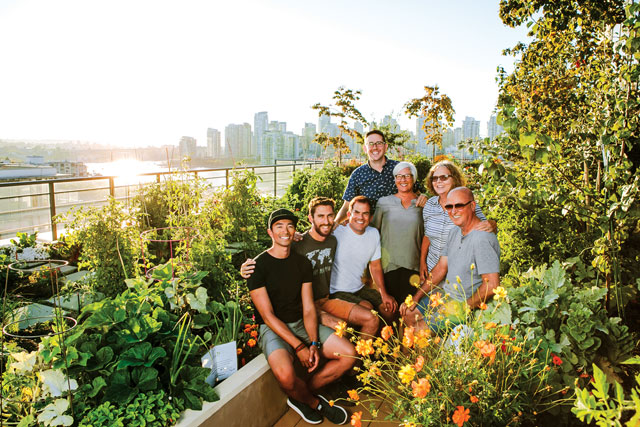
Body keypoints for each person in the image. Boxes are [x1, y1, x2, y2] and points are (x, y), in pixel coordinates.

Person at [247, 208, 355, 425]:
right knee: (286, 376)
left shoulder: (302, 263)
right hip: (273, 329)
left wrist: (313, 343)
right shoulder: (257, 267)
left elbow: (308, 308)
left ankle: (304, 395)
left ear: (295, 230)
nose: (285, 231)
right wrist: (299, 347)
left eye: (289, 226)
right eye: (279, 226)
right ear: (270, 232)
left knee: (349, 354)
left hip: (301, 322)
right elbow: (267, 316)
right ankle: (315, 403)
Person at [241, 198, 380, 336]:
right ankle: (349, 354)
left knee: (370, 317)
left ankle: (360, 356)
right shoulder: (297, 244)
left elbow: (353, 237)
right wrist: (247, 267)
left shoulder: (332, 240)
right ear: (310, 218)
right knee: (342, 329)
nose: (326, 221)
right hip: (303, 305)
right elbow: (275, 250)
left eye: (330, 216)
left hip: (326, 299)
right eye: (320, 216)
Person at [401, 187, 500, 333]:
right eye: (449, 206)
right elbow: (441, 268)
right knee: (408, 314)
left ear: (472, 206)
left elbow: (492, 285)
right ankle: (410, 356)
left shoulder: (482, 238)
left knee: (418, 331)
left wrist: (462, 308)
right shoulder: (454, 232)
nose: (453, 211)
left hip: (464, 304)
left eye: (459, 205)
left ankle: (424, 355)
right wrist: (416, 297)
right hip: (445, 296)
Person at [420, 160, 496, 283]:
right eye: (435, 178)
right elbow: (427, 236)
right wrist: (422, 263)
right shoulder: (429, 205)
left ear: (454, 179)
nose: (438, 181)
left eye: (444, 177)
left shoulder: (466, 204)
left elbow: (486, 228)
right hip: (432, 271)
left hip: (459, 275)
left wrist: (492, 224)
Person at [334, 130, 427, 226]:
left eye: (379, 143)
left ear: (385, 147)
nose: (375, 147)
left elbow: (418, 193)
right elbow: (347, 206)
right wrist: (335, 223)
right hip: (369, 230)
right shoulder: (358, 174)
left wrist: (423, 197)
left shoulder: (399, 168)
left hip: (399, 227)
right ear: (365, 148)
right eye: (371, 144)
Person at [330, 196, 397, 323]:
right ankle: (361, 343)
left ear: (370, 217)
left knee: (389, 308)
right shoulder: (336, 232)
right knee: (367, 307)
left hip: (359, 288)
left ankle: (385, 341)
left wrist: (384, 294)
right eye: (357, 212)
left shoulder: (373, 234)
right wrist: (297, 236)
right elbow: (314, 235)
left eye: (365, 213)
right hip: (336, 291)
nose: (360, 217)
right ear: (349, 214)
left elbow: (375, 266)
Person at [370, 161, 424, 306]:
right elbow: (372, 231)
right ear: (394, 180)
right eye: (399, 176)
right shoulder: (383, 202)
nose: (403, 180)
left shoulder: (422, 204)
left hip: (414, 266)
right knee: (389, 310)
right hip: (388, 267)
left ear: (414, 178)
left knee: (409, 311)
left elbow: (430, 235)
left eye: (407, 175)